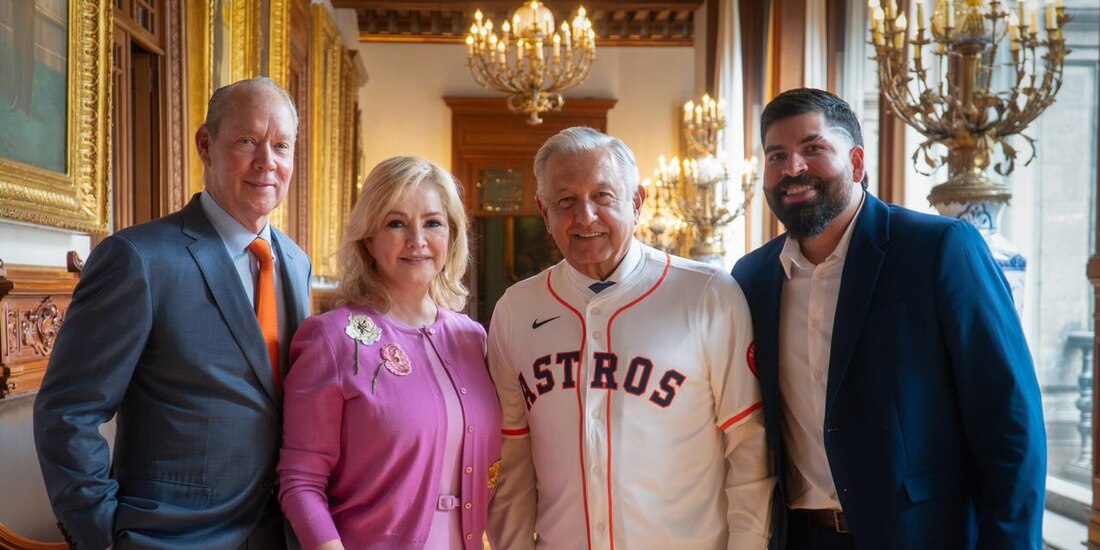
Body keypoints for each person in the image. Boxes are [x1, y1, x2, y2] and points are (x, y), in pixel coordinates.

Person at [731, 88, 1046, 549]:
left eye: (813, 149)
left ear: (856, 163)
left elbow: (1009, 418)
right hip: (800, 537)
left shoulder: (939, 249)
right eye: (776, 155)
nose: (792, 168)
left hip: (922, 536)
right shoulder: (752, 278)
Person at [33, 76, 312, 549]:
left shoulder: (296, 262)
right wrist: (105, 534)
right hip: (167, 537)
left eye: (281, 146)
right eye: (248, 141)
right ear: (206, 144)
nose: (267, 163)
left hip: (277, 534)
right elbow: (67, 412)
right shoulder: (138, 259)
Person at [487, 126, 774, 549]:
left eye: (603, 196)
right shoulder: (516, 308)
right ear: (543, 212)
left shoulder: (707, 294)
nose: (585, 217)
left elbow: (749, 451)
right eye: (565, 201)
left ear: (636, 202)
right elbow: (512, 466)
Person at [278, 156, 502, 550]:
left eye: (433, 223)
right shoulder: (331, 340)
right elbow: (301, 481)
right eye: (396, 223)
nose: (417, 240)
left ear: (451, 235)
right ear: (369, 238)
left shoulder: (474, 340)